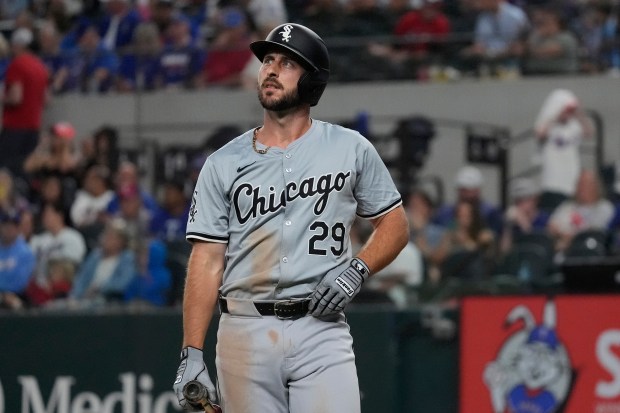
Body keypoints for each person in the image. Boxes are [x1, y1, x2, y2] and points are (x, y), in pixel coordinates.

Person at [172, 23, 409, 413]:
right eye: (268, 60)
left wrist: (357, 269)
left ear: (312, 81)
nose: (271, 69)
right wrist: (191, 352)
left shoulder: (350, 148)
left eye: (287, 63)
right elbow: (207, 259)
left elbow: (396, 224)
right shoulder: (222, 163)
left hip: (322, 329)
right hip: (243, 331)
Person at [0, 27, 49, 185]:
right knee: (25, 170)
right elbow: (47, 100)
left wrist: (2, 97)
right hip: (34, 127)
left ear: (18, 45)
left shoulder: (17, 64)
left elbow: (16, 98)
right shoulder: (41, 66)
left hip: (15, 127)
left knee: (6, 170)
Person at [533, 88, 593, 211]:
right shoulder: (548, 125)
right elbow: (540, 134)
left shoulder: (573, 125)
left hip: (571, 178)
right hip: (553, 182)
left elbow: (589, 132)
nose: (568, 114)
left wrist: (578, 113)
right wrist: (555, 115)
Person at [0, 208, 35, 309]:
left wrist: (4, 294)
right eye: (6, 225)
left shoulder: (25, 252)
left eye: (13, 225)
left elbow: (21, 282)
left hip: (17, 296)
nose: (9, 228)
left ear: (18, 228)